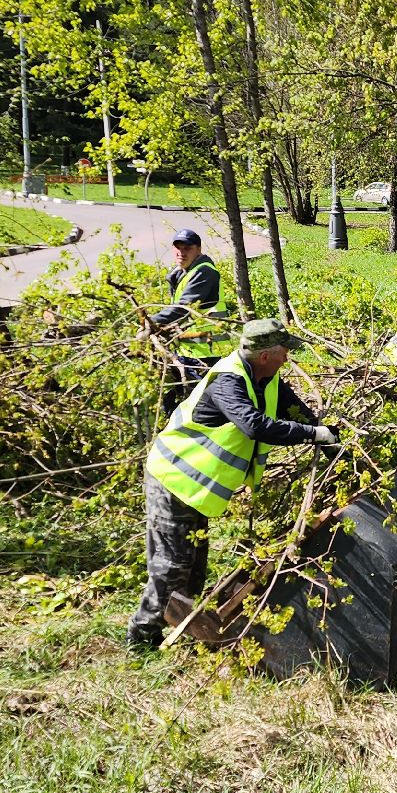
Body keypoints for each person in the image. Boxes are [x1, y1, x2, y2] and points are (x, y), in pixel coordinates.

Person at [129, 318, 338, 649]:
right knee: (172, 564)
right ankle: (141, 637)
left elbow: (298, 413)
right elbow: (254, 426)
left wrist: (336, 450)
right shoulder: (228, 382)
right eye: (284, 351)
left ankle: (181, 627)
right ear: (265, 355)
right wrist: (312, 434)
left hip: (195, 486)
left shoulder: (267, 378)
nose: (288, 357)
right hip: (173, 477)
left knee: (194, 567)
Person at [151, 229, 230, 410]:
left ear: (198, 249)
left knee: (204, 406)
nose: (181, 252)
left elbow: (182, 309)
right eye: (178, 248)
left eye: (187, 248)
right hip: (187, 351)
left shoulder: (204, 272)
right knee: (181, 402)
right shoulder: (185, 273)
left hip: (206, 352)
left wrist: (150, 322)